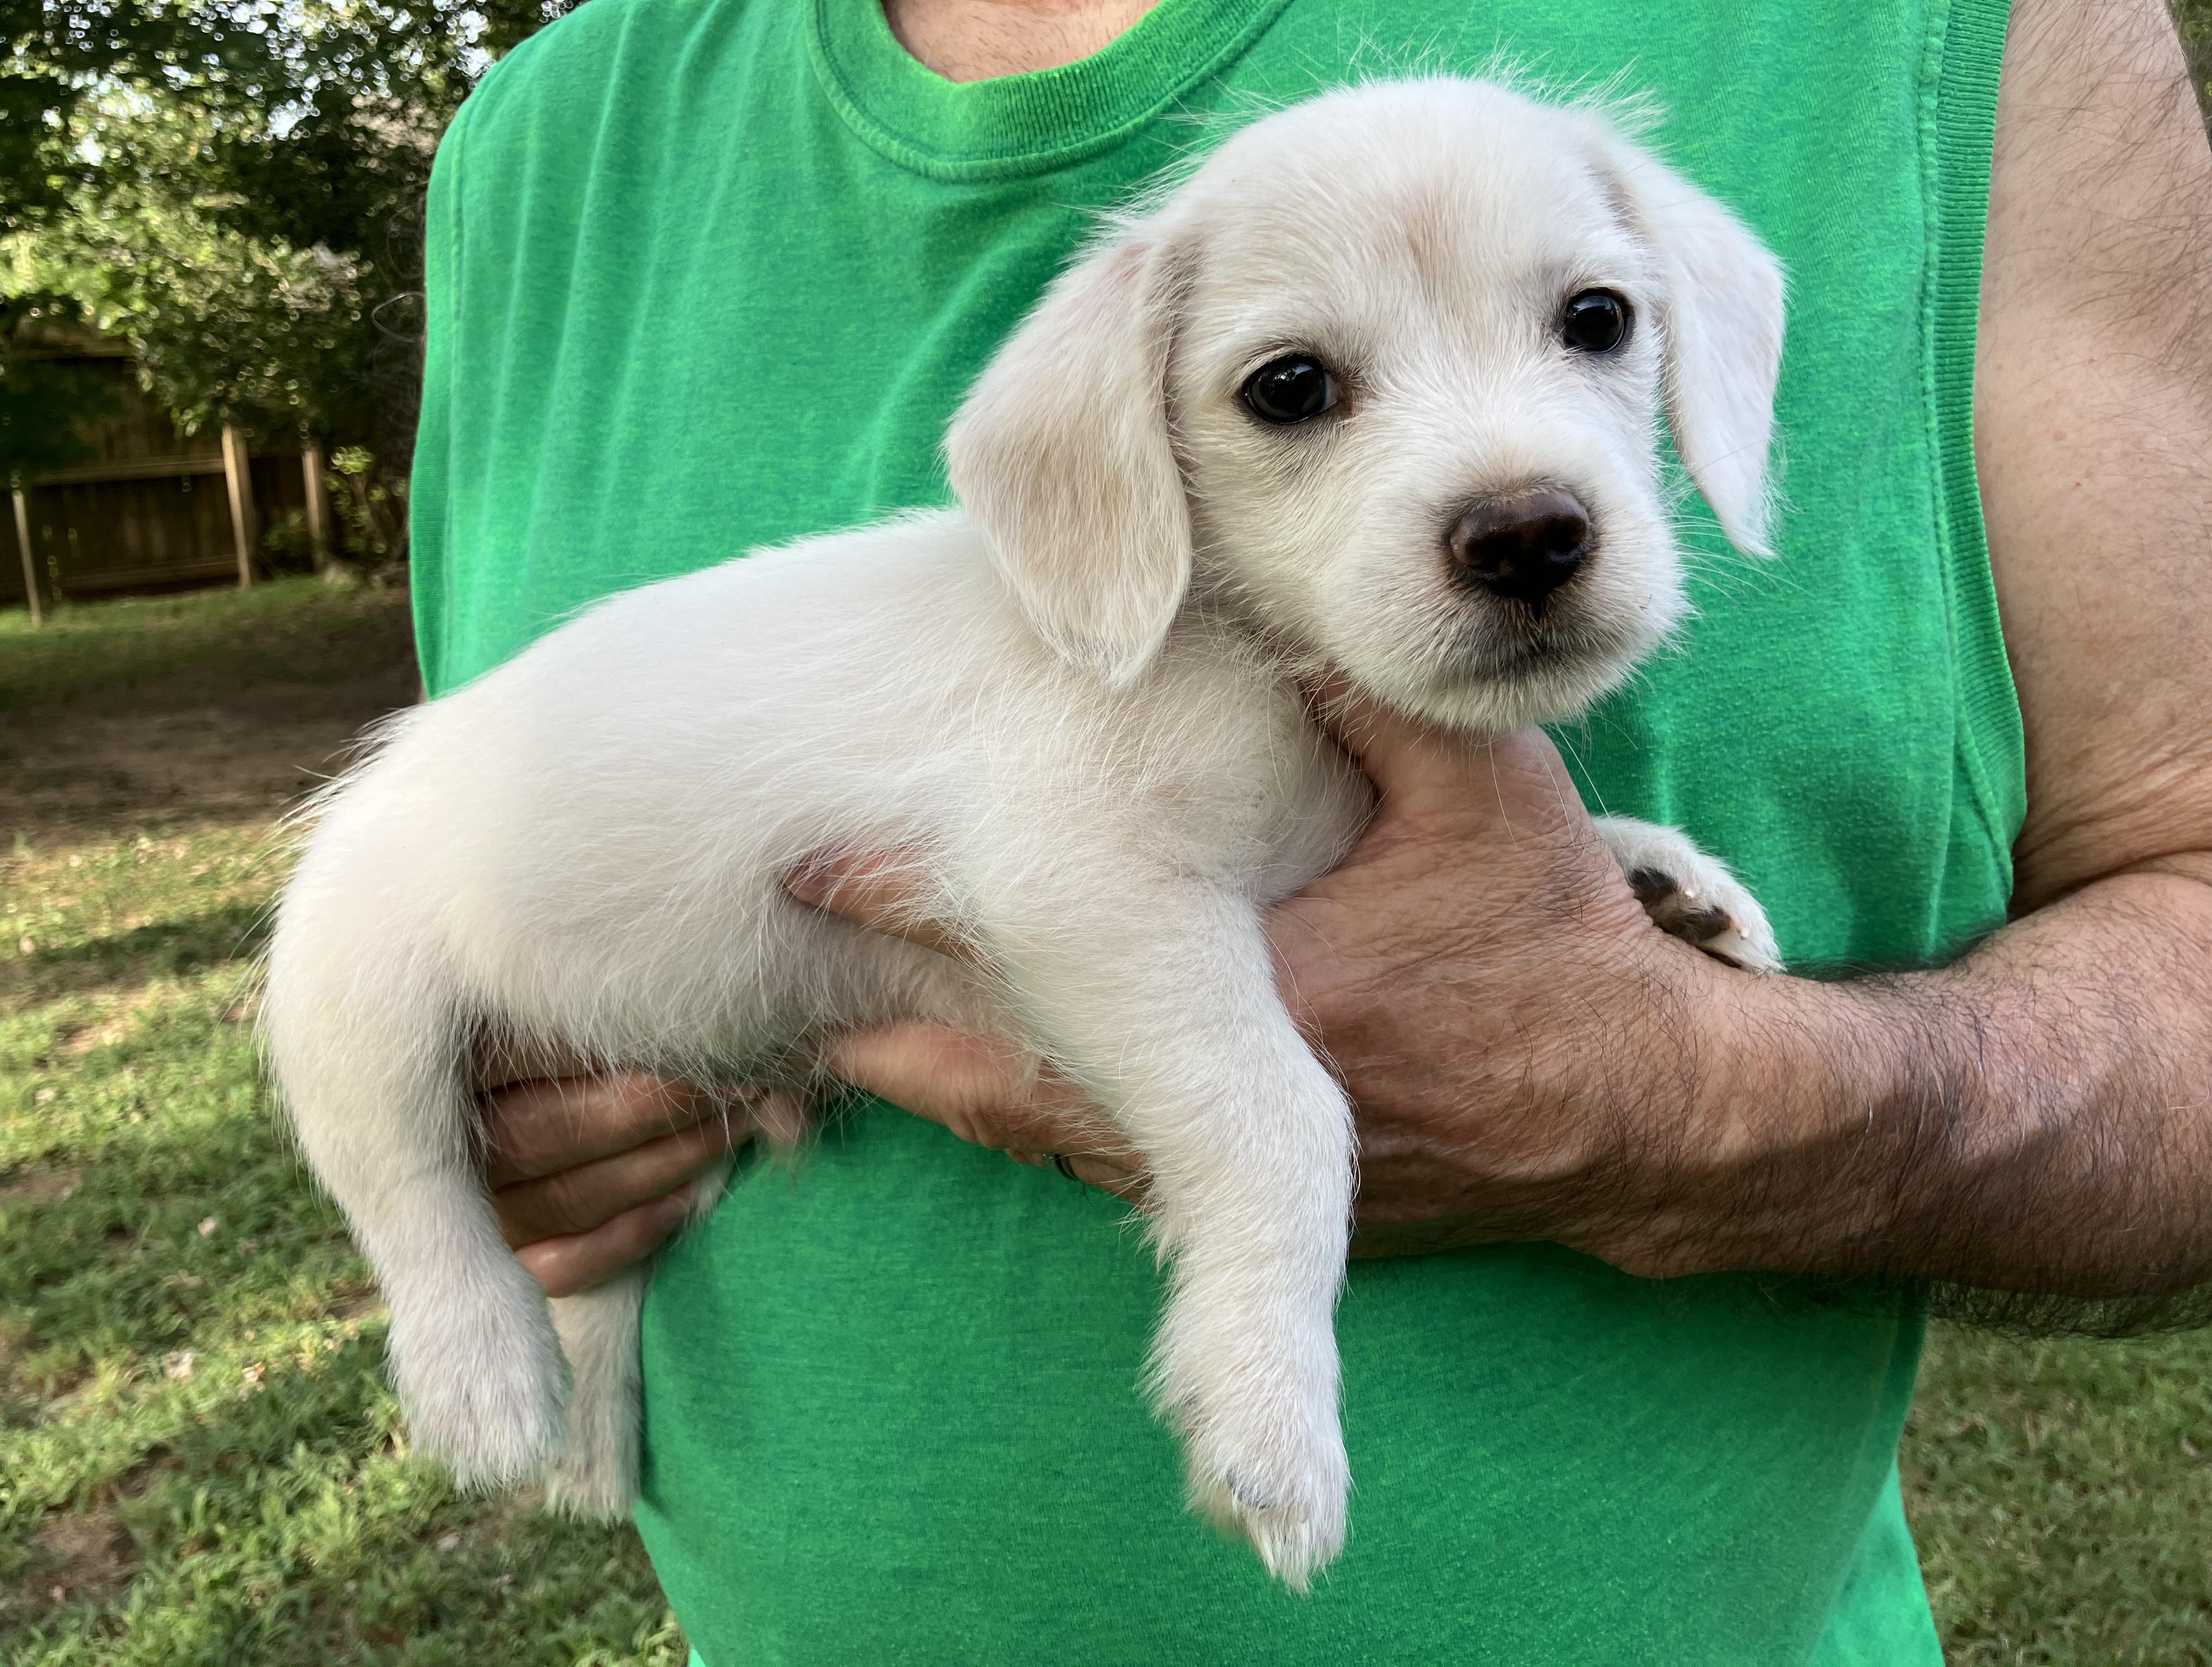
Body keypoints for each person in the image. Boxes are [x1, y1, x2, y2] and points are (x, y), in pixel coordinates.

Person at [412, 0, 2212, 1658]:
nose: (1513, 494)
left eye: (1589, 326)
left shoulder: (1957, 32)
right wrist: (480, 1124)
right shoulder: (540, 145)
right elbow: (496, 860)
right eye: (1297, 391)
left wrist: (1702, 1095)